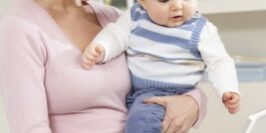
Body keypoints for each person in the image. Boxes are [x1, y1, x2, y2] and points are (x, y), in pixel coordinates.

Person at [0, 0, 208, 133]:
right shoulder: (20, 27)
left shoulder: (114, 18)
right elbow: (29, 128)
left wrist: (194, 102)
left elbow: (167, 74)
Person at [82, 0, 241, 132]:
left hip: (171, 94)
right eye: (164, 0)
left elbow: (220, 62)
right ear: (143, 2)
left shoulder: (200, 30)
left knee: (142, 122)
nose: (177, 6)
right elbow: (117, 34)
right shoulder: (135, 17)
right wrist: (102, 47)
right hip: (138, 93)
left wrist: (228, 89)